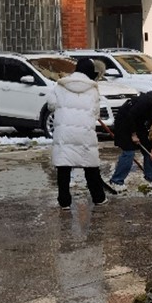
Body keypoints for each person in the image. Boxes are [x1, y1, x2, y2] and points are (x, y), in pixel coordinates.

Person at [47, 58, 107, 210]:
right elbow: (96, 113)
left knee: (64, 166)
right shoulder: (93, 89)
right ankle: (98, 197)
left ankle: (64, 201)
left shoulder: (60, 86)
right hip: (85, 132)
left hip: (64, 132)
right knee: (90, 166)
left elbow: (51, 105)